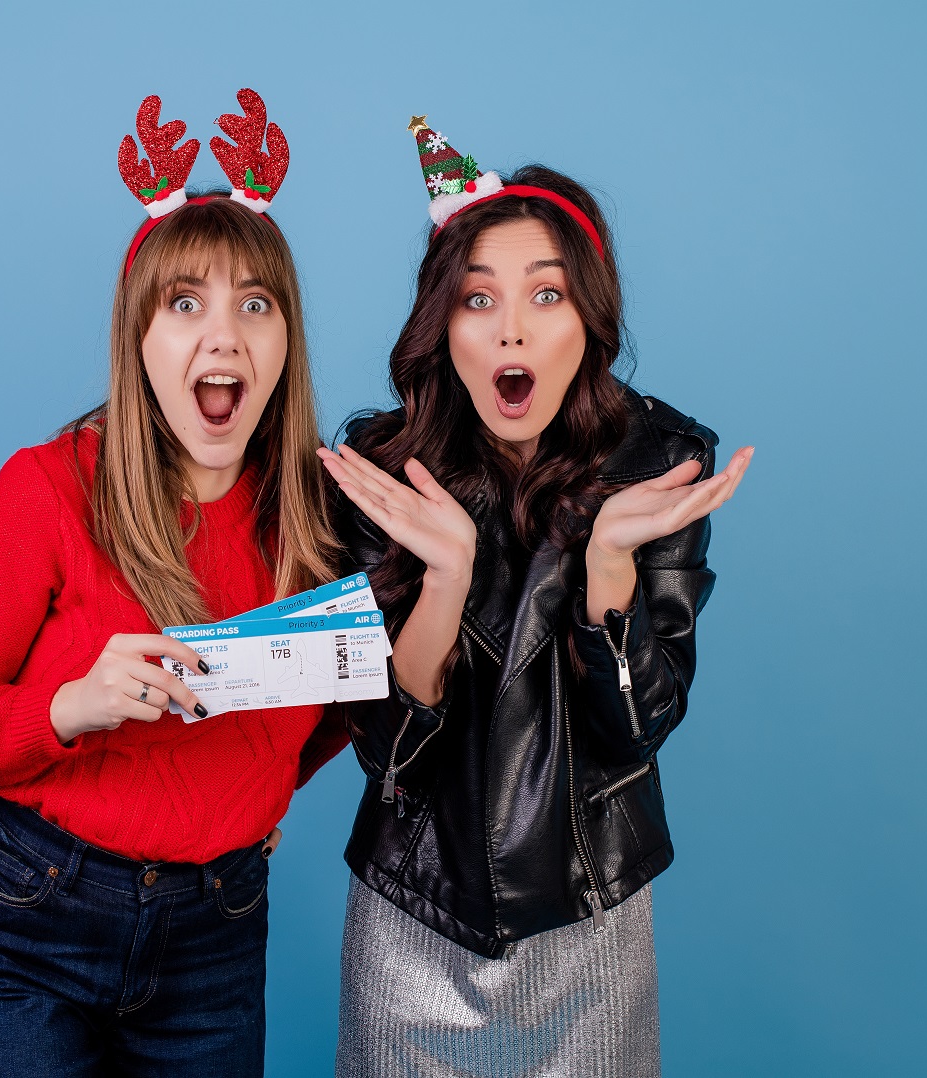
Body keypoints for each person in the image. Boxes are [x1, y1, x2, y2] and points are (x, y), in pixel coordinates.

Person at [0, 91, 345, 1077]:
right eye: (186, 303)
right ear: (139, 337)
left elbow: (339, 699)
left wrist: (254, 794)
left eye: (253, 305)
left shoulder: (316, 515)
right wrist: (68, 706)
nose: (222, 337)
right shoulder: (47, 490)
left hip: (216, 942)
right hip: (29, 926)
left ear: (284, 342)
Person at [320, 121, 754, 1077]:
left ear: (589, 323)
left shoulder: (657, 467)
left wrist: (606, 567)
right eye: (479, 299)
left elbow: (637, 727)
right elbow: (386, 755)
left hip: (590, 911)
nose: (511, 327)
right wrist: (444, 579)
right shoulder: (381, 477)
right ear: (445, 326)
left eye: (544, 294)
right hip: (412, 910)